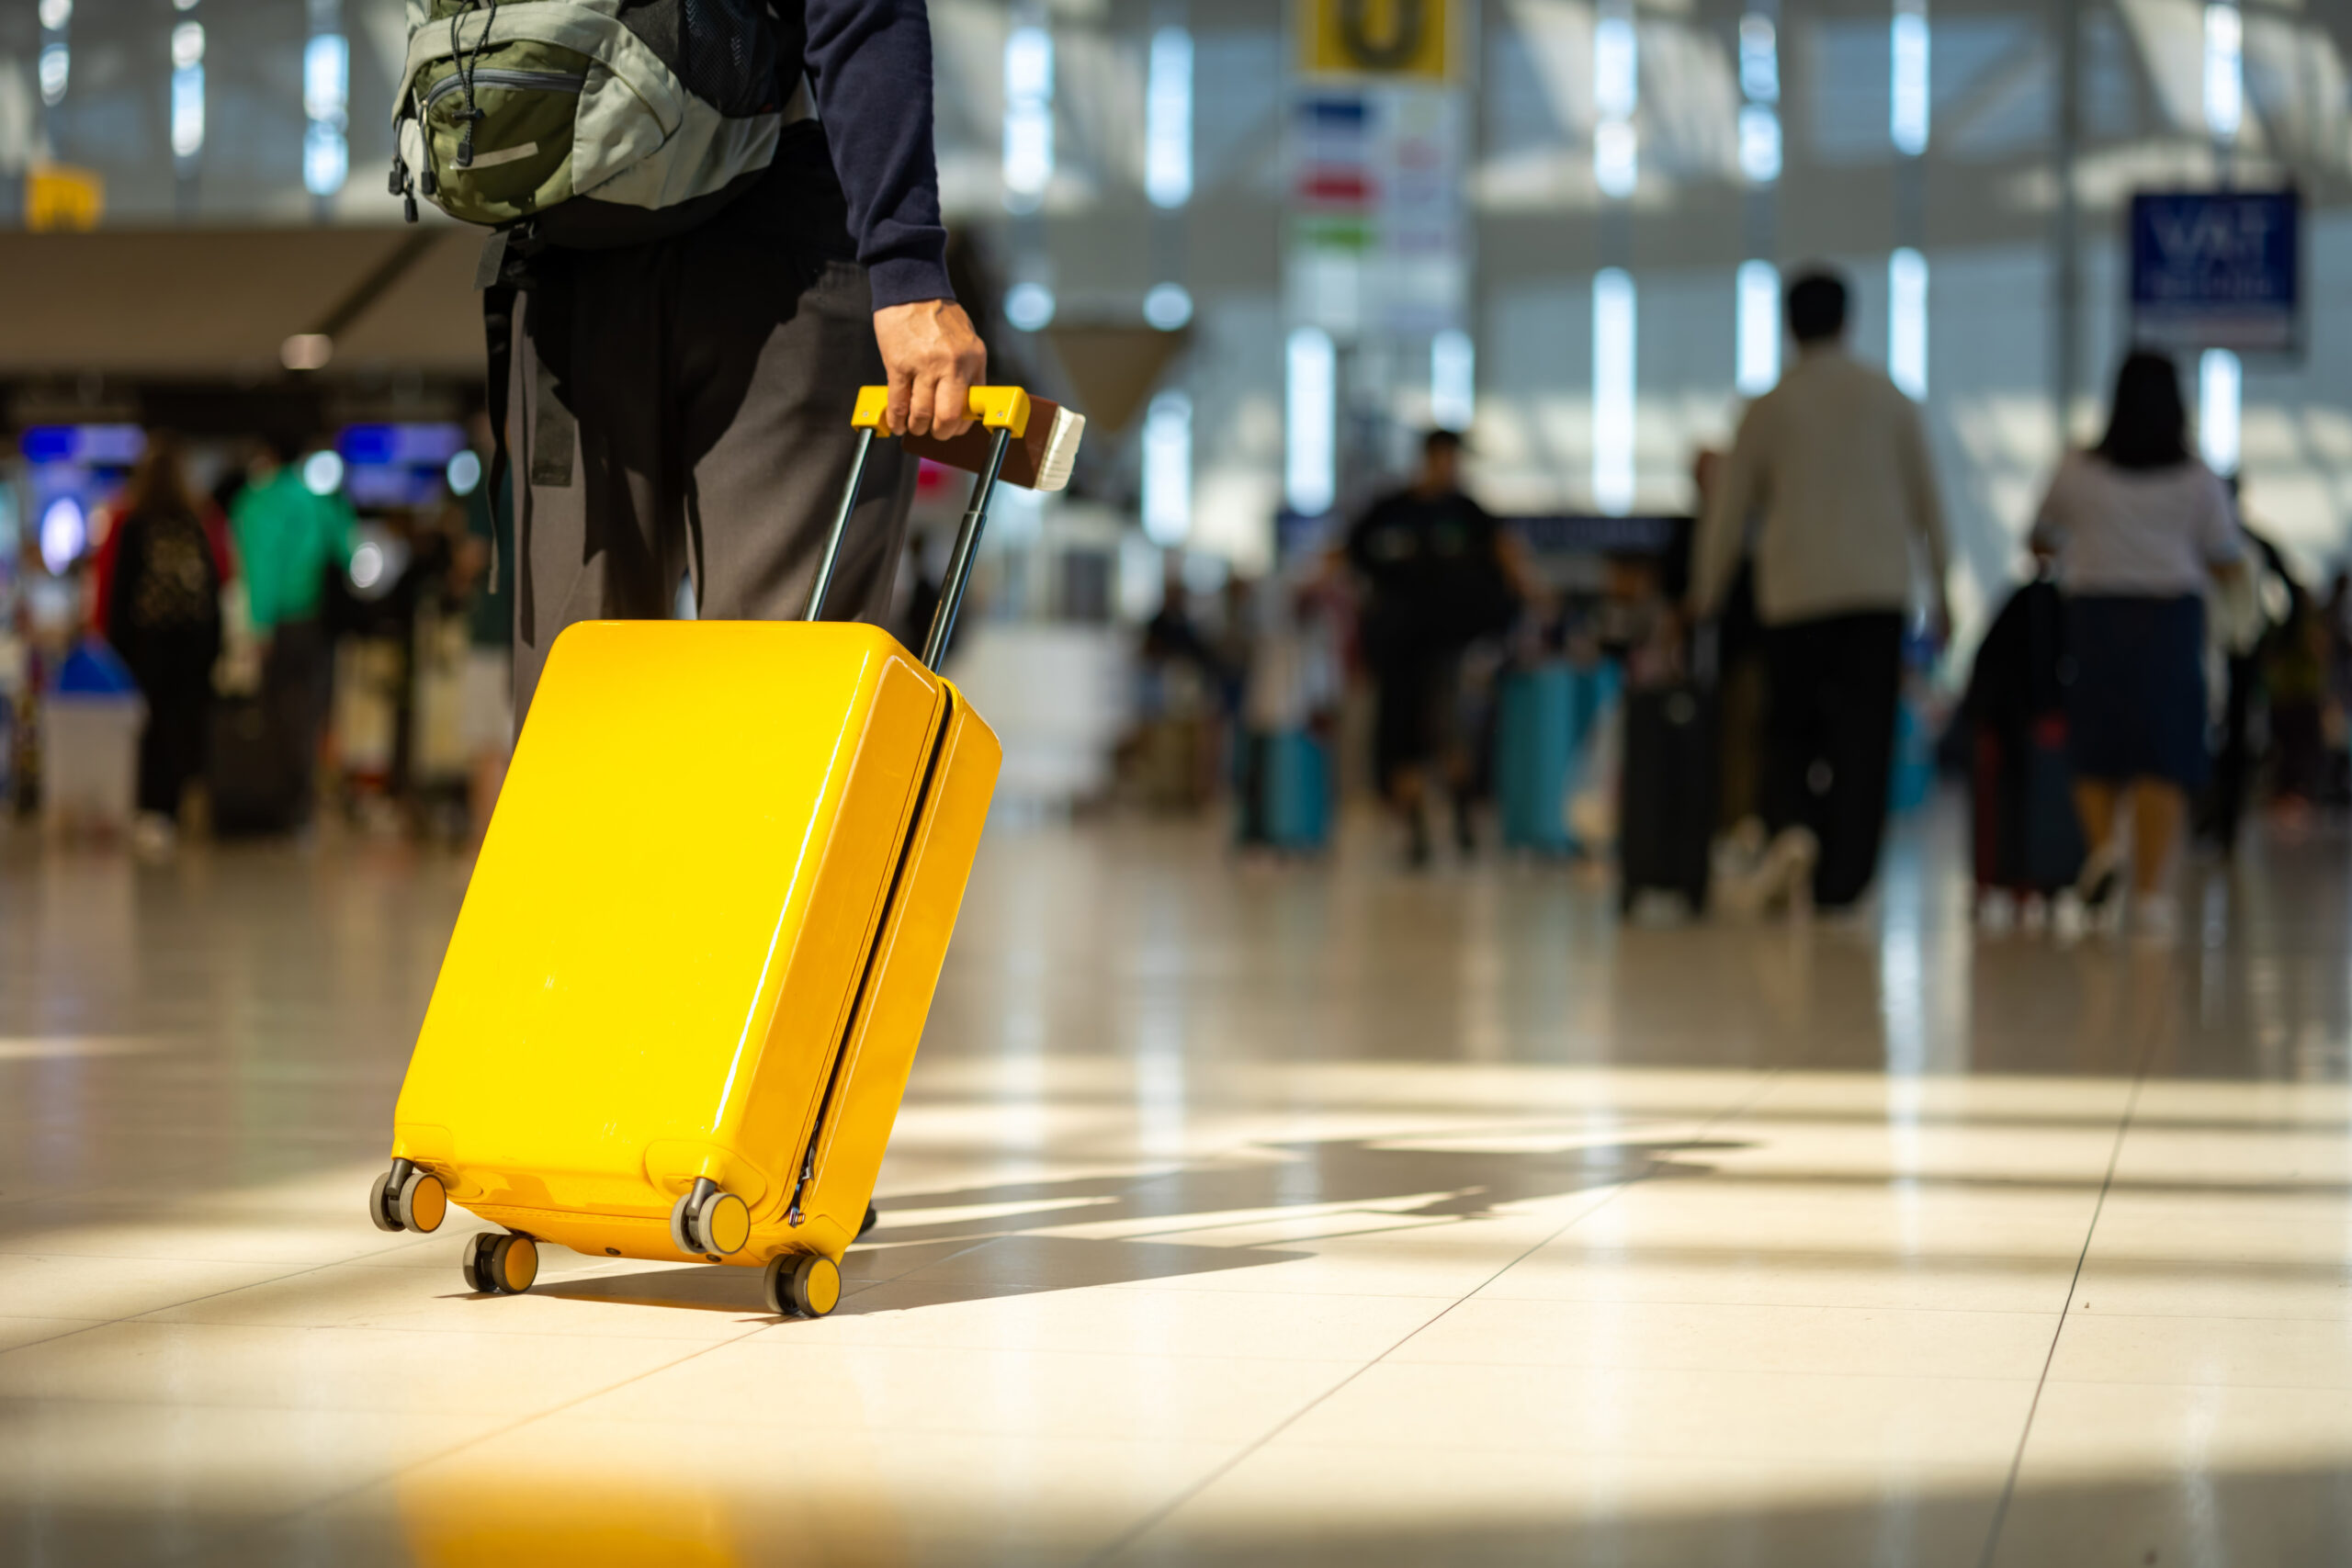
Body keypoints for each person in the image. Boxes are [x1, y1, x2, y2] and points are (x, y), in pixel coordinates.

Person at [500, 0, 986, 717]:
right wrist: (907, 267)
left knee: (577, 710)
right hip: (772, 237)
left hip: (564, 243)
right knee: (785, 701)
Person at [1690, 269, 1951, 916]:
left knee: (1792, 728)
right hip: (1876, 591)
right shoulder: (1889, 398)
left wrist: (1705, 592)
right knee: (1865, 737)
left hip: (1795, 591)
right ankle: (1847, 879)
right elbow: (1928, 503)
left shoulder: (1769, 405)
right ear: (1849, 319)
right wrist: (1943, 591)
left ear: (1788, 325)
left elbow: (1729, 510)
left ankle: (1796, 829)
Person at [2029, 350, 2244, 942]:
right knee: (2164, 751)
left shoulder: (2078, 468)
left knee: (2096, 743)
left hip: (2095, 614)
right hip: (2171, 617)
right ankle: (2150, 894)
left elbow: (2040, 538)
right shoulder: (2199, 478)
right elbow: (2226, 558)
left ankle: (2104, 851)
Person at [1340, 430, 1539, 866]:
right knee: (1403, 741)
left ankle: (1463, 817)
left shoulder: (1468, 513)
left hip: (1452, 647)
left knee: (1453, 734)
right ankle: (1416, 832)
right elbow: (1345, 554)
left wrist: (1527, 590)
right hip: (1400, 650)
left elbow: (1507, 554)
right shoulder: (1390, 510)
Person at [100, 434, 231, 856]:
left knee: (149, 728)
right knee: (183, 726)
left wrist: (114, 646)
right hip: (192, 647)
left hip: (145, 647)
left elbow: (117, 590)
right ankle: (179, 807)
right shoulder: (197, 522)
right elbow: (217, 586)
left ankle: (151, 810)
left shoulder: (132, 522)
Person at [229, 436, 356, 828]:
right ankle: (303, 801)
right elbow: (348, 552)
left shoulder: (255, 503)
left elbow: (257, 567)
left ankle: (276, 800)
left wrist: (260, 625)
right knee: (310, 710)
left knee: (273, 711)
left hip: (278, 624)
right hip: (315, 622)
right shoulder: (318, 501)